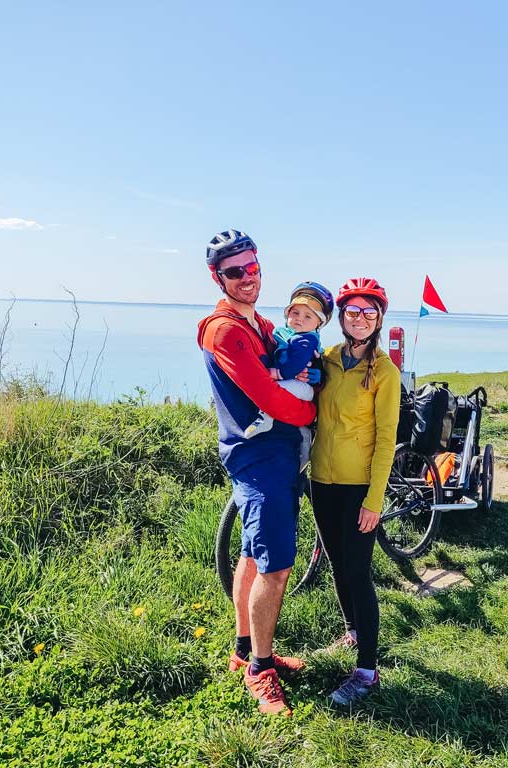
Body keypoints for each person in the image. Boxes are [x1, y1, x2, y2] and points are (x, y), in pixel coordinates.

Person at [196, 229, 318, 716]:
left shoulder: (260, 325)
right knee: (276, 565)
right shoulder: (225, 330)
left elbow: (289, 371)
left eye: (253, 267)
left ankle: (245, 649)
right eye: (234, 272)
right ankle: (260, 670)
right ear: (216, 277)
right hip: (260, 457)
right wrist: (312, 415)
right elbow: (269, 399)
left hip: (276, 453)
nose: (248, 278)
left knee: (251, 551)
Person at [309, 277, 400, 705]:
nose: (360, 318)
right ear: (341, 317)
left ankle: (367, 671)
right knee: (337, 564)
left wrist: (374, 501)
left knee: (358, 573)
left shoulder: (385, 372)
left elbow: (386, 441)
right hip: (321, 483)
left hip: (359, 487)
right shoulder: (326, 358)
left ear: (379, 318)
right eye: (352, 311)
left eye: (369, 311)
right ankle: (352, 633)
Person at [243, 282, 334, 470]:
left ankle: (265, 418)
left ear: (318, 323)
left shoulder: (305, 339)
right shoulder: (285, 334)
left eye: (308, 316)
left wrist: (277, 373)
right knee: (300, 430)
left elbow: (294, 365)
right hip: (298, 385)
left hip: (300, 385)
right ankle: (305, 446)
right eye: (295, 313)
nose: (300, 319)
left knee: (274, 390)